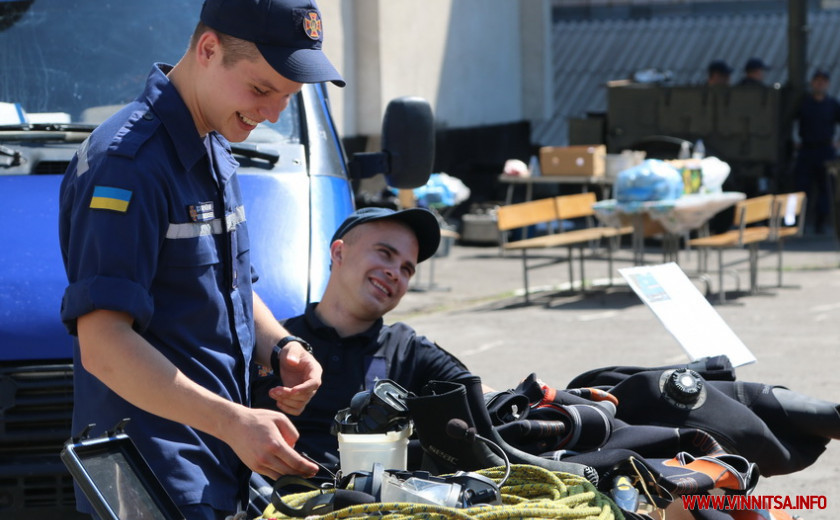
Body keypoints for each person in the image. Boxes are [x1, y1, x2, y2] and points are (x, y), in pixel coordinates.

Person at [58, 0, 344, 517]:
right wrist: (234, 422)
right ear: (209, 49)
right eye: (262, 89)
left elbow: (230, 288)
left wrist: (281, 348)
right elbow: (102, 344)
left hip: (213, 466)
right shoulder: (128, 166)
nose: (272, 114)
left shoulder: (211, 139)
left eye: (289, 97)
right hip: (150, 481)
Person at [253, 207, 478, 467]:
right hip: (264, 499)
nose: (395, 273)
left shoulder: (408, 350)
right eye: (385, 253)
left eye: (407, 269)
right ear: (339, 252)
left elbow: (475, 395)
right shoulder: (269, 341)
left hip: (369, 504)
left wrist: (525, 398)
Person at [791, 68, 840, 234]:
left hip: (826, 150)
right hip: (806, 150)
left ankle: (820, 224)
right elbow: (791, 123)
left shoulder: (832, 104)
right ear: (812, 83)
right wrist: (795, 141)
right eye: (817, 80)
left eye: (823, 81)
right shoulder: (804, 103)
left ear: (828, 84)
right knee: (802, 188)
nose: (820, 84)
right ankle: (798, 223)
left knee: (826, 189)